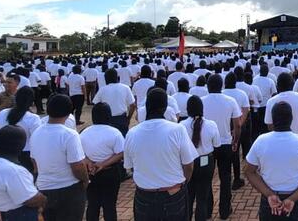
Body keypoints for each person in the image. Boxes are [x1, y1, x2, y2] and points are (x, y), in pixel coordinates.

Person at [125, 89, 198, 221]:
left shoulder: (132, 133)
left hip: (144, 195)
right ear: (165, 108)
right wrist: (184, 182)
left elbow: (130, 166)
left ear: (146, 107)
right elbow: (189, 165)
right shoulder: (177, 129)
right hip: (173, 193)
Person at [245, 101, 298, 221]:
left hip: (269, 201)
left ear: (272, 120)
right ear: (291, 119)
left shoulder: (261, 141)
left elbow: (249, 172)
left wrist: (269, 194)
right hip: (296, 200)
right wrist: (292, 199)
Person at [30, 94, 89, 221]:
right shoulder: (69, 134)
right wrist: (85, 180)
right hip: (68, 190)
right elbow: (77, 166)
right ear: (69, 112)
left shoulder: (36, 132)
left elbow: (34, 163)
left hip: (44, 188)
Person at [0, 125, 47, 220]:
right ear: (21, 145)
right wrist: (43, 199)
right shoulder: (13, 171)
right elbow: (31, 199)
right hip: (16, 215)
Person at [201, 75, 242, 220]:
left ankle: (207, 210)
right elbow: (237, 125)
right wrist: (235, 141)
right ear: (222, 85)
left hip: (207, 147)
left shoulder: (201, 101)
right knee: (225, 177)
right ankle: (224, 210)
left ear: (207, 86)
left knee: (206, 178)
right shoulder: (230, 101)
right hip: (225, 144)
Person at [80, 103, 125, 221]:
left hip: (90, 172)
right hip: (110, 172)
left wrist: (89, 162)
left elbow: (79, 154)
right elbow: (121, 153)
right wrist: (103, 164)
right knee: (109, 205)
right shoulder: (114, 132)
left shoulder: (84, 132)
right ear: (108, 115)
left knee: (92, 205)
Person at [180, 96, 221, 221]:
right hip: (206, 162)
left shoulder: (181, 125)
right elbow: (217, 144)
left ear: (188, 109)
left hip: (188, 162)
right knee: (202, 198)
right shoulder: (211, 124)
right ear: (202, 109)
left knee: (189, 196)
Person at [0, 87, 42, 173]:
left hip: (2, 155)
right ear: (32, 101)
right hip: (25, 157)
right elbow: (37, 142)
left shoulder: (2, 113)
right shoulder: (33, 118)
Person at [265, 73, 298, 138]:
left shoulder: (271, 101)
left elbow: (270, 126)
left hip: (279, 142)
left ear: (277, 86)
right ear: (293, 84)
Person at [93, 69, 136, 137]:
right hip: (121, 119)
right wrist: (128, 118)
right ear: (117, 77)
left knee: (108, 141)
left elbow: (96, 105)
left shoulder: (102, 89)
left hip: (107, 120)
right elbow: (133, 105)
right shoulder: (125, 87)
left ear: (106, 79)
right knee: (122, 140)